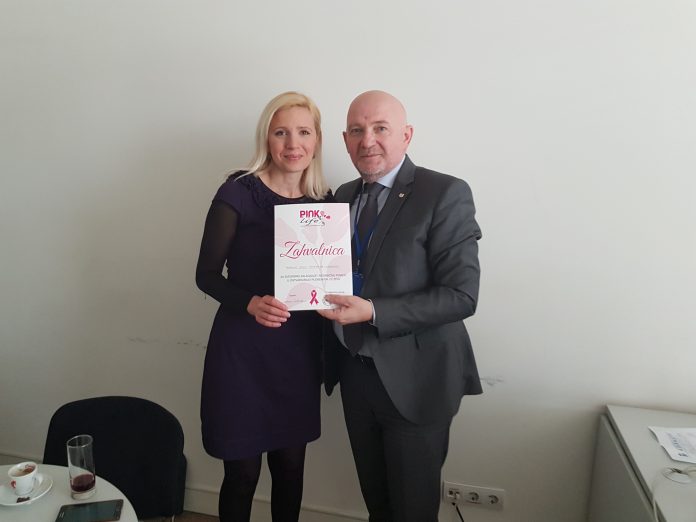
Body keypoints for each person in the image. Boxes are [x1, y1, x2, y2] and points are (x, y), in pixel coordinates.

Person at [318, 90, 483, 522]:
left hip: (417, 379)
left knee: (412, 511)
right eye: (356, 130)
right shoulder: (342, 196)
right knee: (377, 504)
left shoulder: (444, 192)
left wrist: (373, 311)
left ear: (406, 135)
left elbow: (462, 295)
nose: (367, 140)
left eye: (380, 128)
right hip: (355, 374)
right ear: (344, 139)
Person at [195, 91, 331, 522]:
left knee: (290, 467)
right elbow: (206, 275)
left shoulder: (325, 204)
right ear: (266, 139)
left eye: (304, 132)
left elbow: (332, 276)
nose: (293, 144)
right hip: (242, 352)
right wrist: (249, 302)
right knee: (242, 474)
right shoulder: (237, 192)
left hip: (297, 353)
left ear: (317, 140)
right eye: (281, 132)